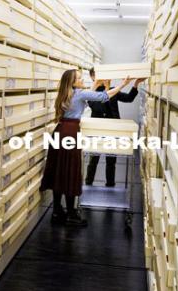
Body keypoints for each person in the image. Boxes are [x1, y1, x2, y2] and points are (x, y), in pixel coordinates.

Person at [40, 69, 132, 226]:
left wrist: (96, 84)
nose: (82, 80)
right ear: (74, 82)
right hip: (70, 134)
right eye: (80, 78)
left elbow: (89, 94)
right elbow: (104, 96)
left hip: (60, 131)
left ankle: (57, 211)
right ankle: (71, 215)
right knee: (71, 171)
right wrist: (123, 84)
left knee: (60, 171)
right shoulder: (80, 93)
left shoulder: (64, 93)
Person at [85, 68, 144, 187]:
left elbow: (129, 98)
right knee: (93, 159)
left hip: (113, 130)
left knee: (111, 160)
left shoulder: (114, 90)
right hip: (97, 130)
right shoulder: (91, 93)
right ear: (93, 78)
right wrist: (106, 88)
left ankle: (110, 184)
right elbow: (99, 107)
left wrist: (136, 83)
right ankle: (88, 183)